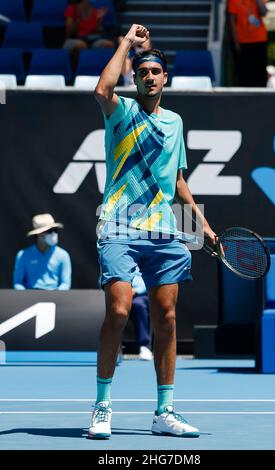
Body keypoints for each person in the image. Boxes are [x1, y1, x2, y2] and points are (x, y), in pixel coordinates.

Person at [88, 24, 216, 439]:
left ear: (165, 78)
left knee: (168, 317)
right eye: (141, 72)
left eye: (155, 71)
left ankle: (165, 411)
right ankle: (102, 406)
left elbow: (177, 181)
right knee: (120, 312)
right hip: (119, 225)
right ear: (135, 77)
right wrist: (126, 43)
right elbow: (100, 92)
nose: (148, 77)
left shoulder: (176, 122)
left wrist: (201, 224)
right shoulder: (121, 111)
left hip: (164, 230)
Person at [13, 213, 72, 290]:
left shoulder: (63, 255)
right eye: (50, 231)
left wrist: (56, 295)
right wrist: (26, 297)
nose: (54, 234)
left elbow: (65, 284)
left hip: (55, 298)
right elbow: (18, 283)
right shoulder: (22, 255)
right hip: (30, 298)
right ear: (39, 234)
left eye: (56, 230)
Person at [227, 0, 268, 87]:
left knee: (259, 74)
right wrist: (235, 42)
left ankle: (261, 97)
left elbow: (263, 12)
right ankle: (244, 98)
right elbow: (231, 21)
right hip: (242, 41)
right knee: (244, 74)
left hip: (259, 40)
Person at [63, 0, 115, 68]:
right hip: (74, 39)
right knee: (81, 46)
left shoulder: (94, 11)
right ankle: (78, 71)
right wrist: (78, 18)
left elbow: (99, 31)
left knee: (109, 45)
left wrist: (99, 20)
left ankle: (103, 70)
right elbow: (69, 32)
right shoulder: (71, 9)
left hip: (92, 40)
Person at [131, 268, 153, 360]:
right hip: (118, 294)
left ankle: (145, 346)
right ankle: (112, 347)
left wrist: (136, 290)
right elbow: (102, 280)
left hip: (144, 294)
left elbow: (152, 278)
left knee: (138, 304)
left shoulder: (147, 256)